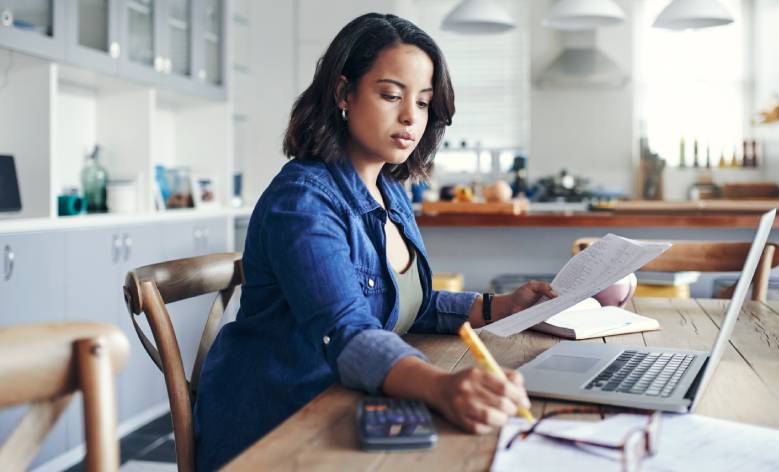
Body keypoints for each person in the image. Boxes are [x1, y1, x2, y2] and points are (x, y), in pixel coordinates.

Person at [193, 12, 556, 470]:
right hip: (279, 428)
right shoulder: (303, 201)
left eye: (423, 103)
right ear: (344, 93)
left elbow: (408, 304)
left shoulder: (390, 191)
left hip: (344, 408)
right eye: (390, 95)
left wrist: (500, 307)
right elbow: (348, 330)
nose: (410, 116)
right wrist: (442, 385)